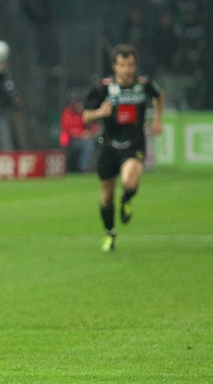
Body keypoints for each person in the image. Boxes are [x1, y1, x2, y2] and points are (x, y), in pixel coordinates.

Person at [83, 44, 163, 252]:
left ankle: (127, 199)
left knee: (129, 181)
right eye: (121, 65)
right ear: (114, 66)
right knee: (107, 197)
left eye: (130, 65)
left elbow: (159, 95)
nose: (126, 70)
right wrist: (100, 112)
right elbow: (86, 115)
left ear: (135, 66)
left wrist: (158, 120)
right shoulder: (103, 88)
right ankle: (110, 234)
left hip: (134, 144)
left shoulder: (144, 85)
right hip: (107, 145)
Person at [59, 96, 98, 173]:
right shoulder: (68, 113)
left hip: (84, 140)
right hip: (71, 141)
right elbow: (67, 129)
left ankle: (86, 166)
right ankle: (83, 166)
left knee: (91, 143)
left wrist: (90, 133)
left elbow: (94, 126)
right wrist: (81, 134)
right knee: (88, 145)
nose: (80, 107)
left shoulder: (85, 114)